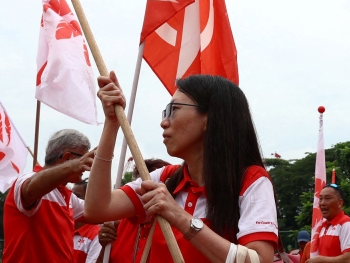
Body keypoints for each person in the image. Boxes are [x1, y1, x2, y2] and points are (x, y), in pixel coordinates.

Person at [85, 72, 279, 263]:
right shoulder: (166, 178)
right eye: (165, 112)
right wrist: (111, 123)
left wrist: (179, 217)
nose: (163, 122)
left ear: (210, 118)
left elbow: (259, 260)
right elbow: (97, 209)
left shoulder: (251, 180)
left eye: (174, 109)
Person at [3, 128, 95, 263]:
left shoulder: (68, 196)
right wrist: (72, 166)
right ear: (67, 158)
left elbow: (102, 211)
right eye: (83, 158)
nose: (87, 164)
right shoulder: (26, 179)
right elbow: (29, 189)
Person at [308, 185, 350, 263]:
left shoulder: (347, 224)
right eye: (320, 199)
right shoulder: (322, 227)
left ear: (340, 203)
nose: (322, 203)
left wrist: (321, 260)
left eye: (328, 198)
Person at [72, 181, 103, 263]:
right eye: (71, 196)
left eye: (77, 196)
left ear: (90, 201)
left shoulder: (97, 235)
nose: (72, 200)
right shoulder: (63, 228)